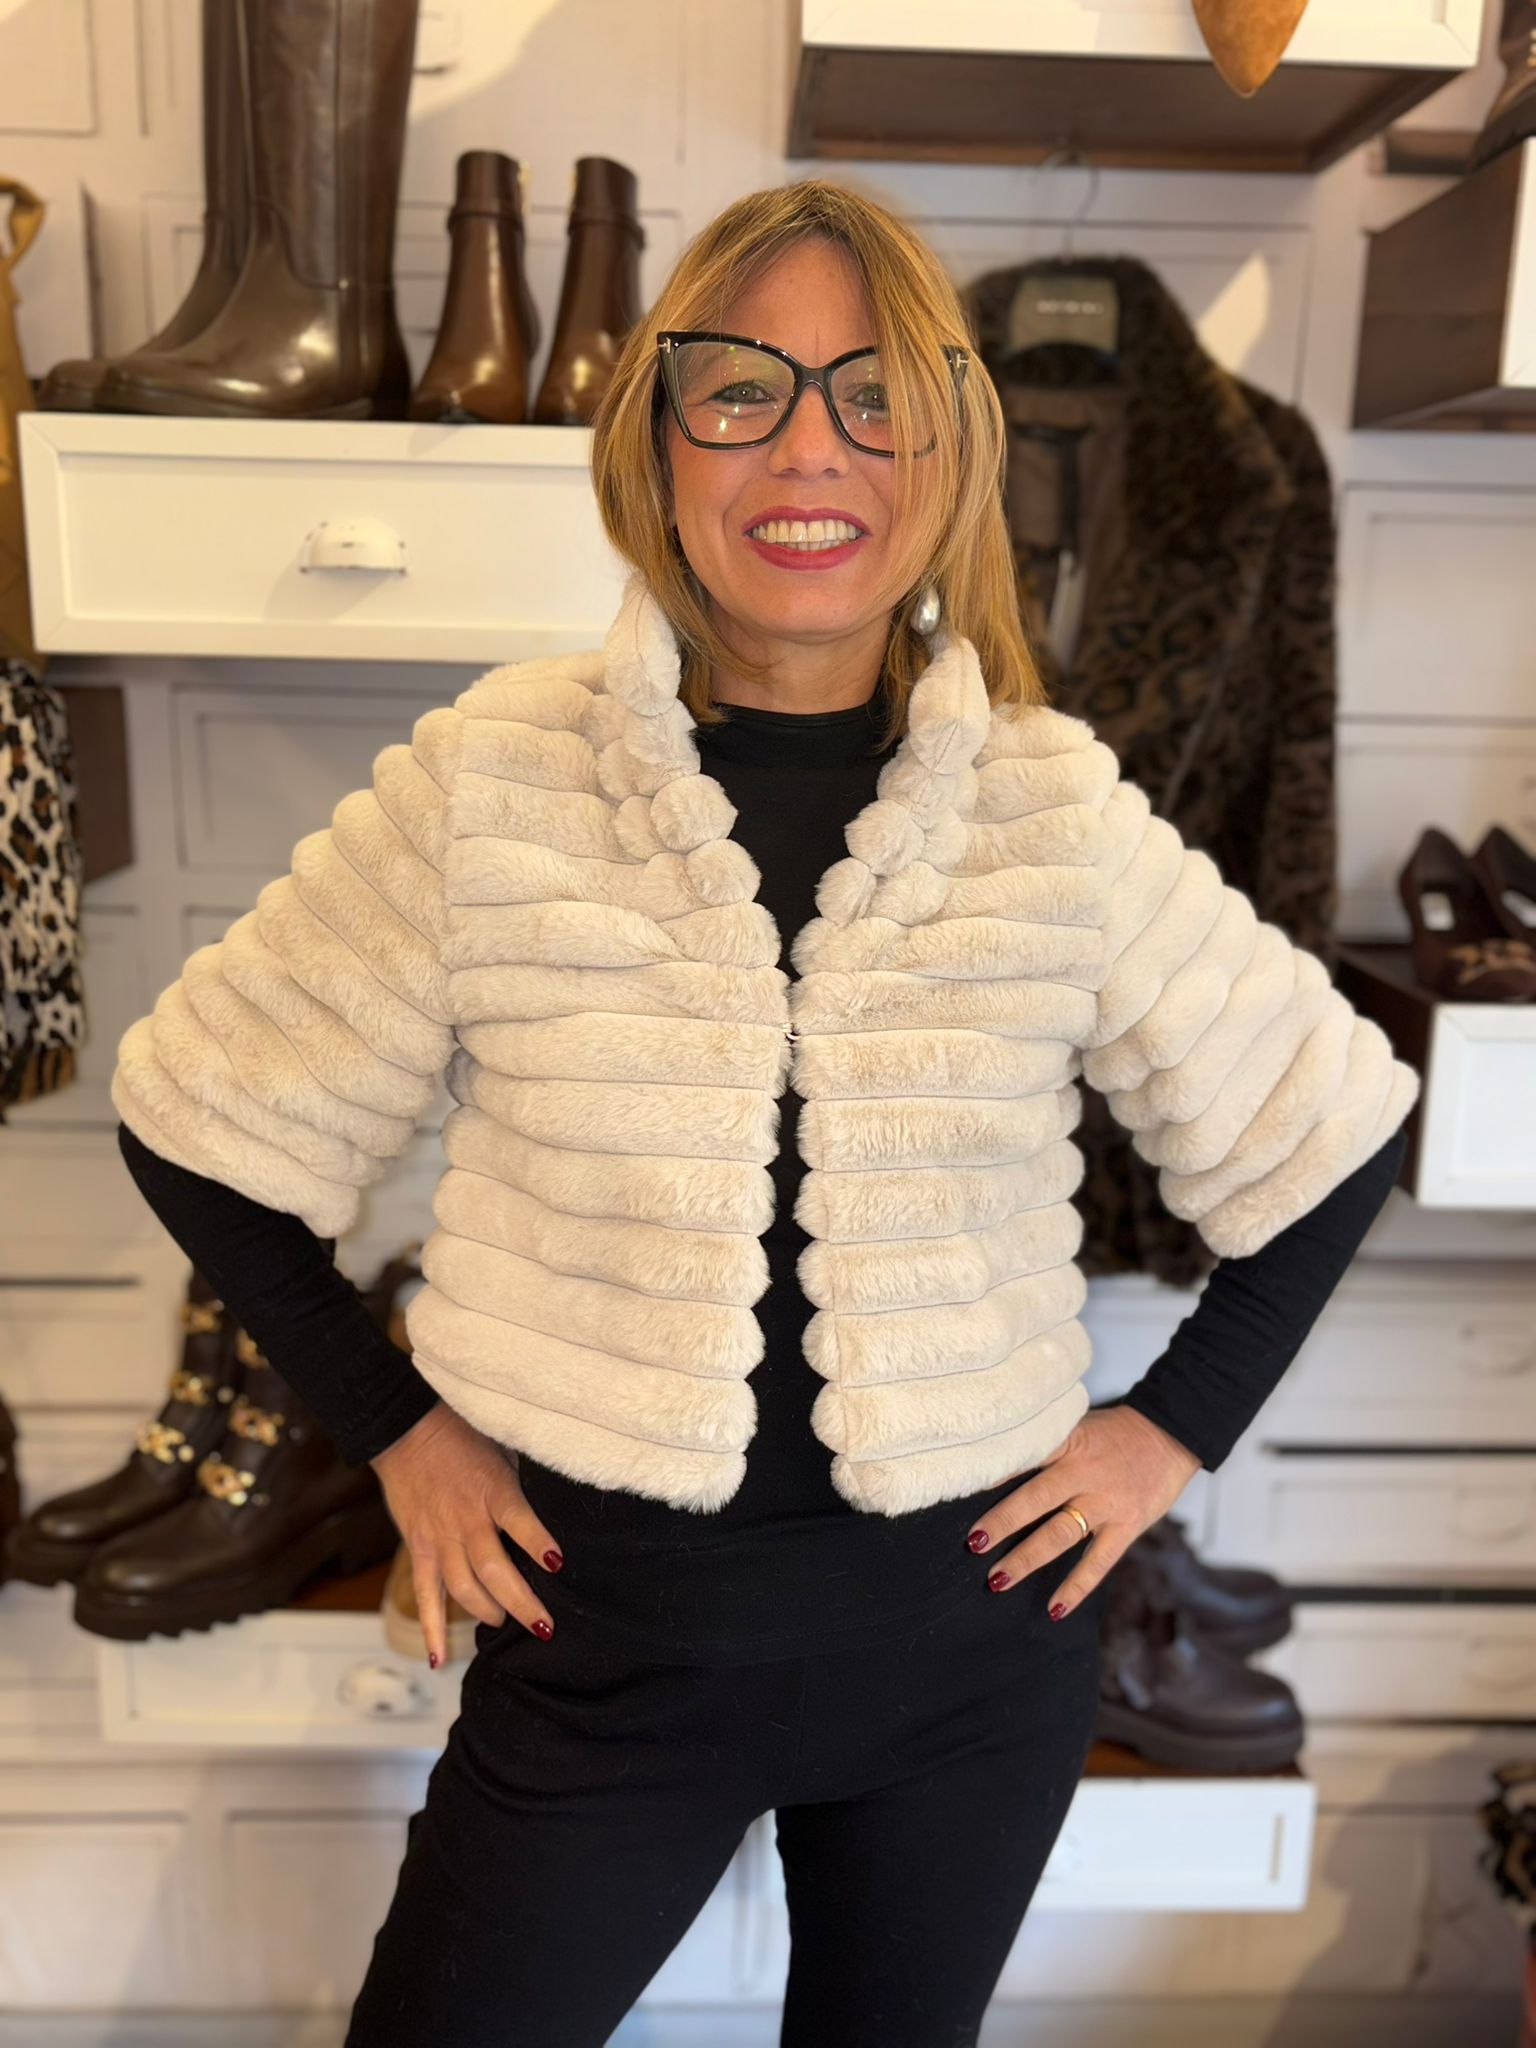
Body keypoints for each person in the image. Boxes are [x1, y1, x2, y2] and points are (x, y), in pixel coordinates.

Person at [112, 178, 1417, 2047]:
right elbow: (201, 1119)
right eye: (743, 388)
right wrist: (396, 1432)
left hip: (973, 1672)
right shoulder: (499, 781)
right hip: (605, 1663)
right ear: (658, 440)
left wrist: (1164, 1438)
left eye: (876, 394)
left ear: (950, 449)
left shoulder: (1045, 806)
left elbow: (1331, 1131)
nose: (813, 448)